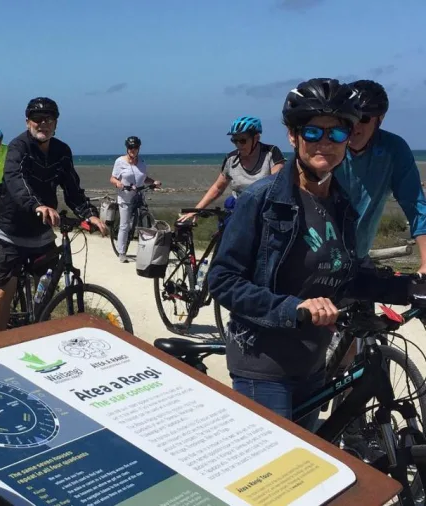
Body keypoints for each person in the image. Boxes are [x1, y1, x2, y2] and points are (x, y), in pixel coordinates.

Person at [207, 78, 420, 430]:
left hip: (312, 364)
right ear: (293, 136)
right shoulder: (261, 200)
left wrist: (409, 289)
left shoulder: (341, 204)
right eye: (312, 133)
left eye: (337, 134)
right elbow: (223, 280)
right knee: (278, 477)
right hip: (264, 366)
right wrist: (295, 308)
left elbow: (347, 276)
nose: (325, 143)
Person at [0, 97, 108, 332]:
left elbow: (72, 188)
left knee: (47, 286)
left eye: (49, 119)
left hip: (42, 231)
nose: (42, 123)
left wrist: (89, 214)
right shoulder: (18, 147)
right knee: (5, 290)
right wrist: (37, 205)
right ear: (27, 122)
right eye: (37, 119)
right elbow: (16, 180)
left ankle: (38, 329)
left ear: (56, 124)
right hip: (12, 230)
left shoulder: (62, 151)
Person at [334, 80, 426, 273]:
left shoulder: (393, 150)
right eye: (349, 117)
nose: (355, 125)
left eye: (364, 119)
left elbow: (416, 207)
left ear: (380, 118)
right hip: (316, 258)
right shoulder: (328, 146)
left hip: (358, 258)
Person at [179, 117, 285, 223]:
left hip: (264, 207)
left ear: (256, 138)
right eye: (234, 140)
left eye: (243, 140)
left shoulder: (271, 153)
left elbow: (276, 184)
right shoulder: (231, 159)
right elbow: (218, 188)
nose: (238, 145)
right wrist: (196, 210)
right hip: (238, 206)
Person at [109, 136, 160, 262]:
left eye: (135, 147)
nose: (133, 150)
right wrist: (118, 183)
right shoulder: (120, 162)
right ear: (127, 148)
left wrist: (153, 182)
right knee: (125, 225)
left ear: (139, 148)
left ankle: (146, 250)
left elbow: (143, 178)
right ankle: (121, 252)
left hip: (139, 196)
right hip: (125, 197)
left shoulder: (142, 163)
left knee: (146, 222)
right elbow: (112, 178)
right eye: (130, 147)